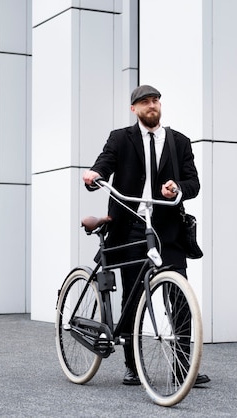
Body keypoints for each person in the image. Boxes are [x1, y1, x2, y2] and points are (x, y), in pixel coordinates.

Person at [82, 85, 210, 386]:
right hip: (131, 226)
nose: (151, 105)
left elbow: (194, 183)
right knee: (134, 296)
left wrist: (177, 189)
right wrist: (93, 176)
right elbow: (104, 164)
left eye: (155, 100)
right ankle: (132, 365)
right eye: (144, 102)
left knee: (179, 298)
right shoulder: (120, 139)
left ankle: (182, 368)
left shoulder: (179, 142)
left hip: (168, 230)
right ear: (134, 109)